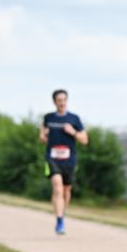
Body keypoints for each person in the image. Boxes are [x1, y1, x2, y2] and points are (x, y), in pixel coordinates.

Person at [39, 89, 88, 235]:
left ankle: (61, 213)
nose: (62, 103)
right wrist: (44, 135)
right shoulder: (48, 118)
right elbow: (41, 137)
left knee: (66, 192)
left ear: (67, 101)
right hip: (52, 158)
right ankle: (59, 221)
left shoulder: (74, 119)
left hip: (69, 160)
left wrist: (73, 132)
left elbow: (85, 140)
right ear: (54, 102)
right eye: (59, 100)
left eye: (64, 100)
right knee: (58, 188)